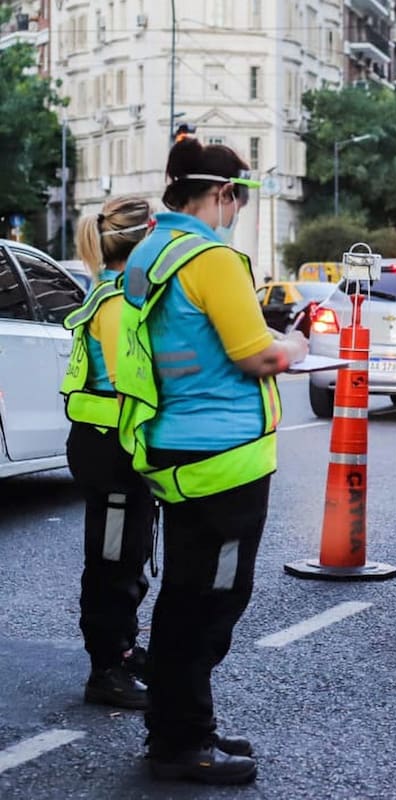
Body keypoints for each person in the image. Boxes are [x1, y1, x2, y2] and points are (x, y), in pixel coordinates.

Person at [117, 137, 307, 785]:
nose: (237, 211)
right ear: (223, 194)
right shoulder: (214, 257)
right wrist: (299, 346)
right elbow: (254, 353)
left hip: (173, 441)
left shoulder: (149, 252)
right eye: (238, 199)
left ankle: (179, 723)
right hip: (222, 457)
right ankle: (182, 740)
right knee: (212, 600)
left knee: (185, 595)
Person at [60, 196, 156, 711]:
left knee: (124, 554)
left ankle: (120, 649)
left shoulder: (114, 291)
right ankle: (106, 668)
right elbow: (130, 387)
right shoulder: (119, 304)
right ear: (147, 237)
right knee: (114, 560)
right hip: (113, 449)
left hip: (109, 446)